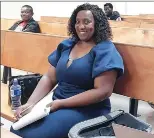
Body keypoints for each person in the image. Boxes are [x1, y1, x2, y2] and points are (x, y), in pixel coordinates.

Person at [10, 3, 124, 138]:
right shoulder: (67, 45)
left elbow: (102, 91)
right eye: (77, 22)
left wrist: (61, 104)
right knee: (16, 129)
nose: (81, 26)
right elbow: (49, 77)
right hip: (56, 104)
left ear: (98, 24)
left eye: (87, 22)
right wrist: (30, 104)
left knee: (36, 135)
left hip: (87, 110)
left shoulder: (105, 50)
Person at [2, 5, 41, 84]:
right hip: (14, 47)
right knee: (5, 53)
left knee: (6, 53)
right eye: (22, 12)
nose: (23, 14)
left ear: (32, 14)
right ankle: (5, 80)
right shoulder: (18, 23)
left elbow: (24, 35)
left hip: (26, 49)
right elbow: (9, 32)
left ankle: (6, 80)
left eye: (26, 12)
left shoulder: (33, 24)